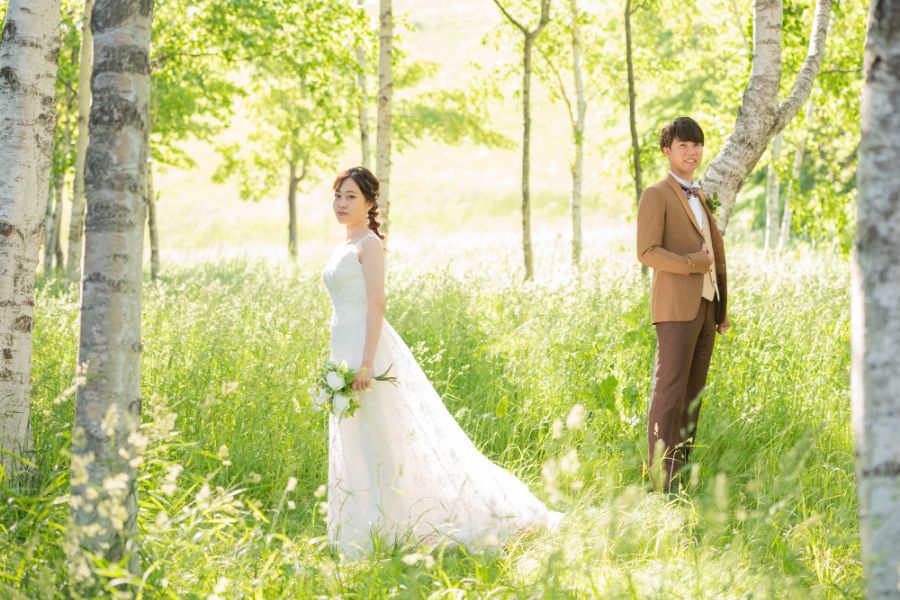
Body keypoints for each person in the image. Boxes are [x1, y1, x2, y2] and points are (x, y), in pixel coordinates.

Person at [322, 166, 560, 558]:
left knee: (384, 434)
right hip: (342, 347)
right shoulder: (342, 246)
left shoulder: (369, 245)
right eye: (337, 196)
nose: (341, 204)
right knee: (356, 436)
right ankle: (364, 525)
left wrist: (366, 362)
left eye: (351, 197)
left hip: (367, 346)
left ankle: (399, 520)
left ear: (369, 203)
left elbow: (377, 304)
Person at [636, 117, 731, 492]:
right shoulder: (656, 195)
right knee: (669, 394)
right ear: (667, 151)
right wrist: (693, 263)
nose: (691, 152)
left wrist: (720, 309)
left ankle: (680, 476)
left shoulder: (701, 195)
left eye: (696, 145)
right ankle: (660, 481)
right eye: (683, 146)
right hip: (676, 309)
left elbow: (715, 252)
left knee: (693, 396)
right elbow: (647, 252)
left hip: (706, 308)